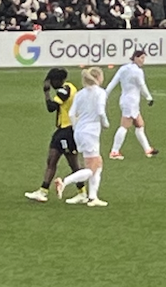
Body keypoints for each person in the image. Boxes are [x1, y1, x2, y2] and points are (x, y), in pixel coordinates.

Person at [56, 66, 112, 207]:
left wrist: (76, 128)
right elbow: (100, 110)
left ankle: (92, 197)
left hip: (80, 131)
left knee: (97, 164)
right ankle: (64, 182)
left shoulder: (80, 94)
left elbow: (71, 114)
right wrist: (105, 123)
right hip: (91, 132)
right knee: (92, 168)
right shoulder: (100, 93)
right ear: (98, 77)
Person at [26, 68, 84, 203]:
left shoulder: (65, 89)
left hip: (67, 130)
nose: (51, 84)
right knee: (54, 160)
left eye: (51, 81)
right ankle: (43, 191)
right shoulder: (70, 88)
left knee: (70, 163)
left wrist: (46, 93)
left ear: (58, 80)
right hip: (63, 131)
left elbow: (51, 107)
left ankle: (82, 192)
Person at [108, 50, 157, 159]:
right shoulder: (137, 71)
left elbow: (113, 82)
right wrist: (149, 97)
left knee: (140, 125)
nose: (143, 61)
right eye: (141, 58)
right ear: (135, 57)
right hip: (131, 102)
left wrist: (106, 93)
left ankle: (148, 149)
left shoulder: (124, 68)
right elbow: (142, 85)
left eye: (144, 58)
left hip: (125, 100)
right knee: (125, 126)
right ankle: (114, 151)